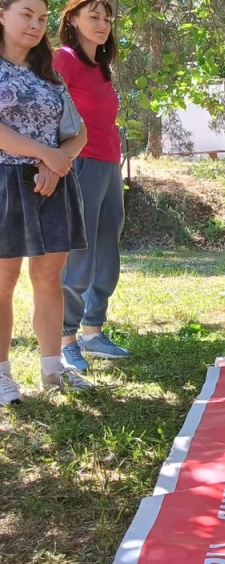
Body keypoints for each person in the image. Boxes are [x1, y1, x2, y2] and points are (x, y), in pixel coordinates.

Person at [0, 0, 95, 406]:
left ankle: (53, 369)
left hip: (51, 185)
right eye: (26, 14)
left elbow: (79, 133)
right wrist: (47, 154)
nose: (36, 25)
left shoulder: (50, 76)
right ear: (1, 14)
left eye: (41, 18)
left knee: (49, 281)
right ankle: (2, 377)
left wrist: (57, 163)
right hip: (5, 183)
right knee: (2, 285)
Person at [53, 0, 130, 373]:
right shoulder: (62, 59)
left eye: (107, 18)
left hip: (109, 164)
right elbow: (48, 113)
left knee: (107, 251)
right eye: (93, 17)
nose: (102, 24)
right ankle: (66, 339)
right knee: (79, 254)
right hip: (79, 163)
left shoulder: (101, 68)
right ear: (73, 19)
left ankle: (92, 331)